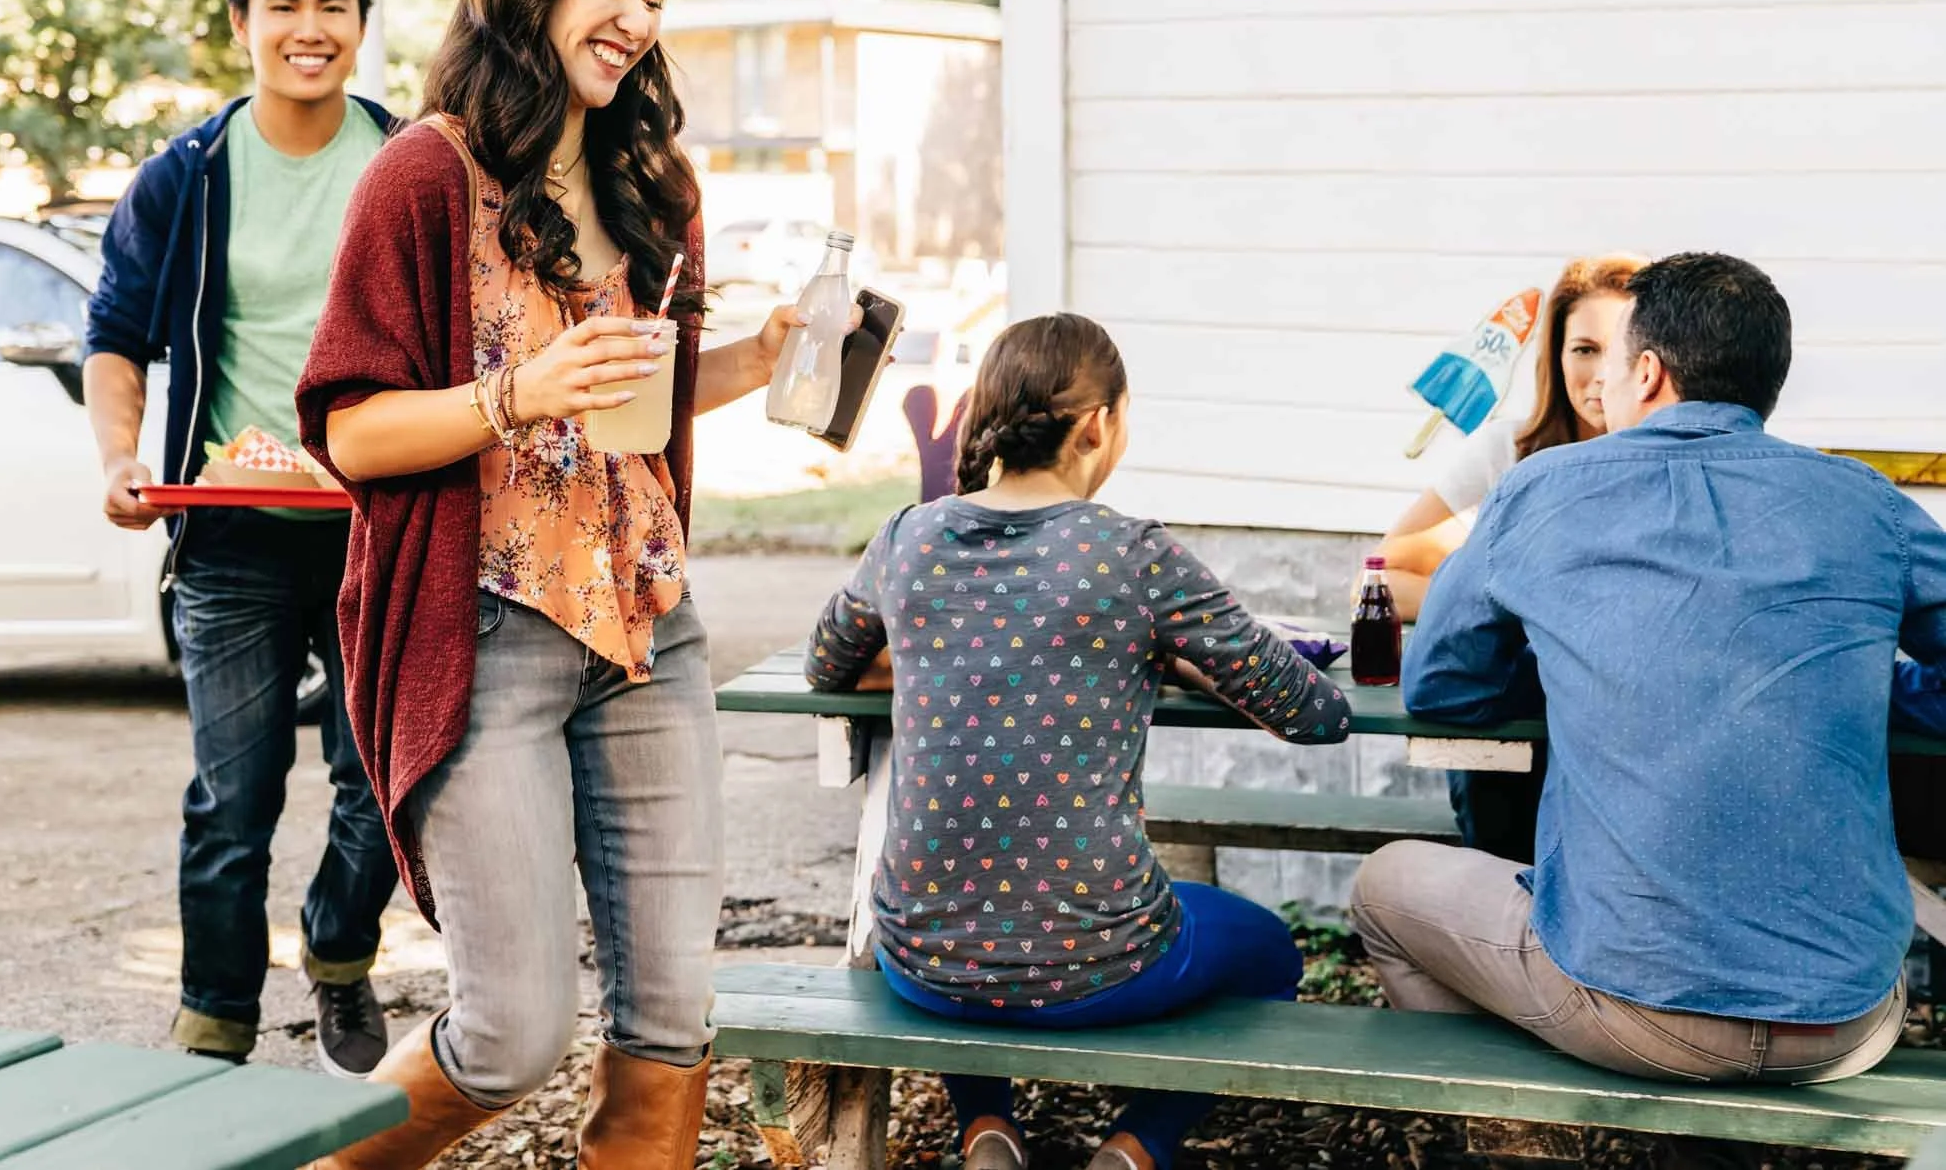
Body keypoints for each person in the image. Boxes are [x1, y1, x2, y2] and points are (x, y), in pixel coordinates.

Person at [293, 0, 812, 1170]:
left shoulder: (654, 179)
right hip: (488, 634)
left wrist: (771, 356)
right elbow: (351, 424)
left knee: (674, 1017)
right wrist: (513, 390)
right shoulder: (422, 175)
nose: (637, 13)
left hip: (651, 625)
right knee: (512, 1029)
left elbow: (644, 398)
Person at [1350, 252, 1946, 1084]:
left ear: (1649, 371)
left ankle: (1515, 1124)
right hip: (1851, 1018)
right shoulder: (1868, 502)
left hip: (1631, 1010)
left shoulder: (1541, 491)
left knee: (1384, 886)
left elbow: (1446, 685)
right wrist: (1866, 687)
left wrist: (1576, 666)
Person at [806, 313, 1352, 1170]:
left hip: (921, 960)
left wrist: (935, 644)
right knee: (1273, 953)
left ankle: (986, 1125)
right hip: (1100, 963)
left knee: (966, 906)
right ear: (1098, 424)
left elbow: (825, 660)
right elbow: (1315, 712)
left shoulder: (907, 537)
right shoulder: (1130, 554)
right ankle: (1139, 1145)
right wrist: (1178, 659)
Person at [83, 0, 401, 1074]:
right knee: (233, 795)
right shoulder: (187, 175)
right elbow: (115, 334)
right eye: (283, 5)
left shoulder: (410, 162)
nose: (307, 29)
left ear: (362, 27)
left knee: (379, 779)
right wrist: (120, 456)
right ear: (241, 23)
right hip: (228, 532)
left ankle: (337, 947)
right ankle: (213, 1019)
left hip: (377, 527)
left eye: (332, 6)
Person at [1370, 255, 1644, 863]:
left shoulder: (1680, 462)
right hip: (1518, 714)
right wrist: (1499, 581)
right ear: (1556, 356)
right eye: (1584, 349)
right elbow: (1384, 576)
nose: (1601, 373)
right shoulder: (1512, 449)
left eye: (1620, 349)